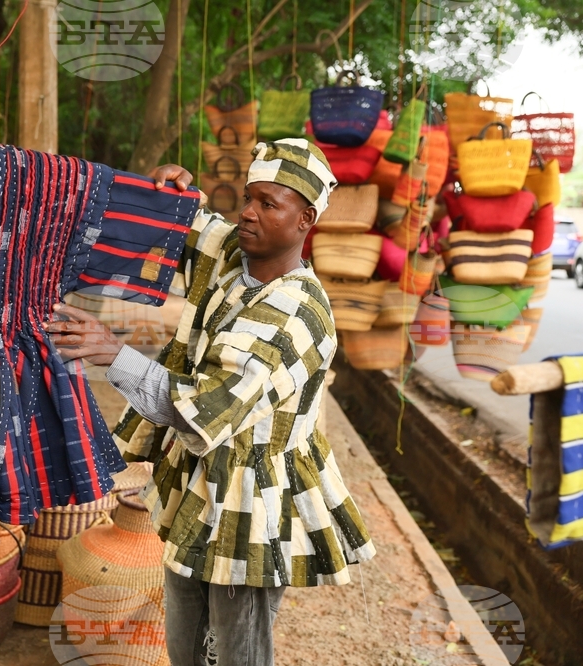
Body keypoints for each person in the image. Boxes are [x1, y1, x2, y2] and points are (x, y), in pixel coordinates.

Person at [45, 139, 376, 666]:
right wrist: (171, 190)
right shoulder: (236, 255)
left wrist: (113, 351)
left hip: (253, 499)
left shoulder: (292, 313)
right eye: (249, 197)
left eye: (269, 204)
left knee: (237, 648)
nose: (247, 212)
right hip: (204, 486)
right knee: (185, 637)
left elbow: (202, 408)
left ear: (304, 221)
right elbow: (188, 226)